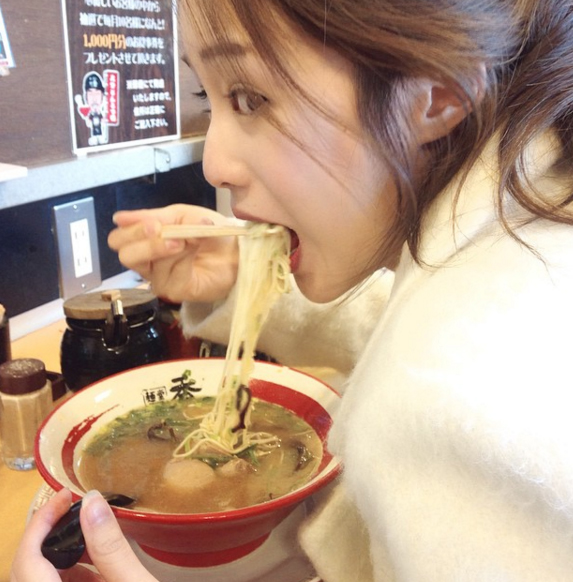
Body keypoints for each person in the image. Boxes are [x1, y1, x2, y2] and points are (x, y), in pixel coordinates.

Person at [12, 0, 573, 580]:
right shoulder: (525, 230)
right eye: (207, 95)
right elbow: (403, 325)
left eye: (249, 98)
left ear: (435, 96)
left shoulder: (458, 398)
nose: (214, 166)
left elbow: (436, 365)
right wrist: (247, 278)